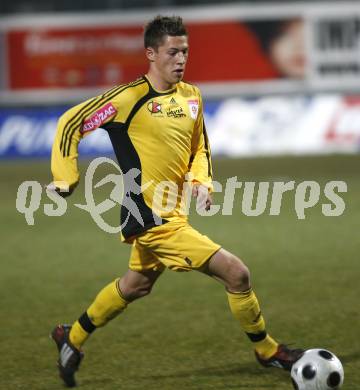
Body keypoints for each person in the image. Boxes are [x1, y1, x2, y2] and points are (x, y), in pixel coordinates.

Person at [49, 15, 303, 388]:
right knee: (237, 273)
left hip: (174, 212)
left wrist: (202, 182)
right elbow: (72, 122)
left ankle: (71, 338)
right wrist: (66, 178)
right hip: (150, 217)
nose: (181, 59)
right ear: (151, 54)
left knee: (136, 285)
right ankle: (268, 351)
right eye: (172, 52)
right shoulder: (127, 99)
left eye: (185, 51)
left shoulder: (192, 97)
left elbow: (200, 146)